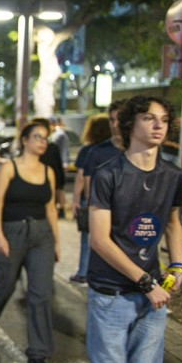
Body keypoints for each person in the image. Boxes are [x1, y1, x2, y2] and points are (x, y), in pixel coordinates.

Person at [59, 96, 182, 363]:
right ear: (130, 124)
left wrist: (178, 265)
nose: (158, 125)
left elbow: (174, 224)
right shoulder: (109, 173)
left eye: (163, 119)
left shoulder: (172, 175)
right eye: (149, 118)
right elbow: (99, 241)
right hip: (112, 292)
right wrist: (145, 283)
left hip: (152, 295)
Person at [0, 120, 61, 363]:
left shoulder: (49, 171)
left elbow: (50, 209)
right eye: (37, 136)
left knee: (40, 293)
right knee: (3, 286)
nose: (42, 142)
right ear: (24, 140)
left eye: (45, 138)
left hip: (41, 235)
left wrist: (56, 241)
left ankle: (38, 352)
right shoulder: (9, 168)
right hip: (12, 233)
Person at [69, 113, 113, 285]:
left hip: (91, 200)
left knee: (87, 238)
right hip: (110, 200)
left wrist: (76, 200)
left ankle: (83, 272)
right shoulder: (114, 150)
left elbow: (81, 177)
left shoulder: (87, 150)